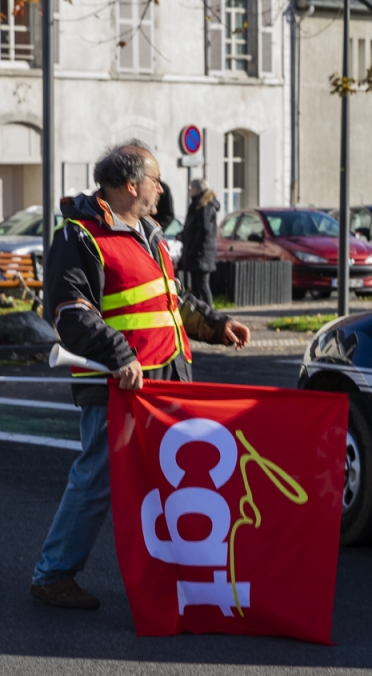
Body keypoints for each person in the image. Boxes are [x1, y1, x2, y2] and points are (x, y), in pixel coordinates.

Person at [29, 142, 251, 610]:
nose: (161, 188)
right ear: (132, 186)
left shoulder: (147, 231)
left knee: (178, 478)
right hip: (119, 385)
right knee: (98, 477)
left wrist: (215, 325)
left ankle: (180, 579)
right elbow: (70, 312)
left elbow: (170, 300)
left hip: (167, 379)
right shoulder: (79, 236)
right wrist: (117, 353)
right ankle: (53, 575)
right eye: (155, 179)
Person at [180, 178, 219, 306]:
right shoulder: (197, 205)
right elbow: (194, 228)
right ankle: (200, 315)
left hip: (201, 253)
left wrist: (194, 250)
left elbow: (204, 231)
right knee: (196, 286)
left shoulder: (205, 206)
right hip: (196, 252)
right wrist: (183, 235)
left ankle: (210, 317)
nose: (190, 191)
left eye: (191, 188)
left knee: (202, 285)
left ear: (197, 189)